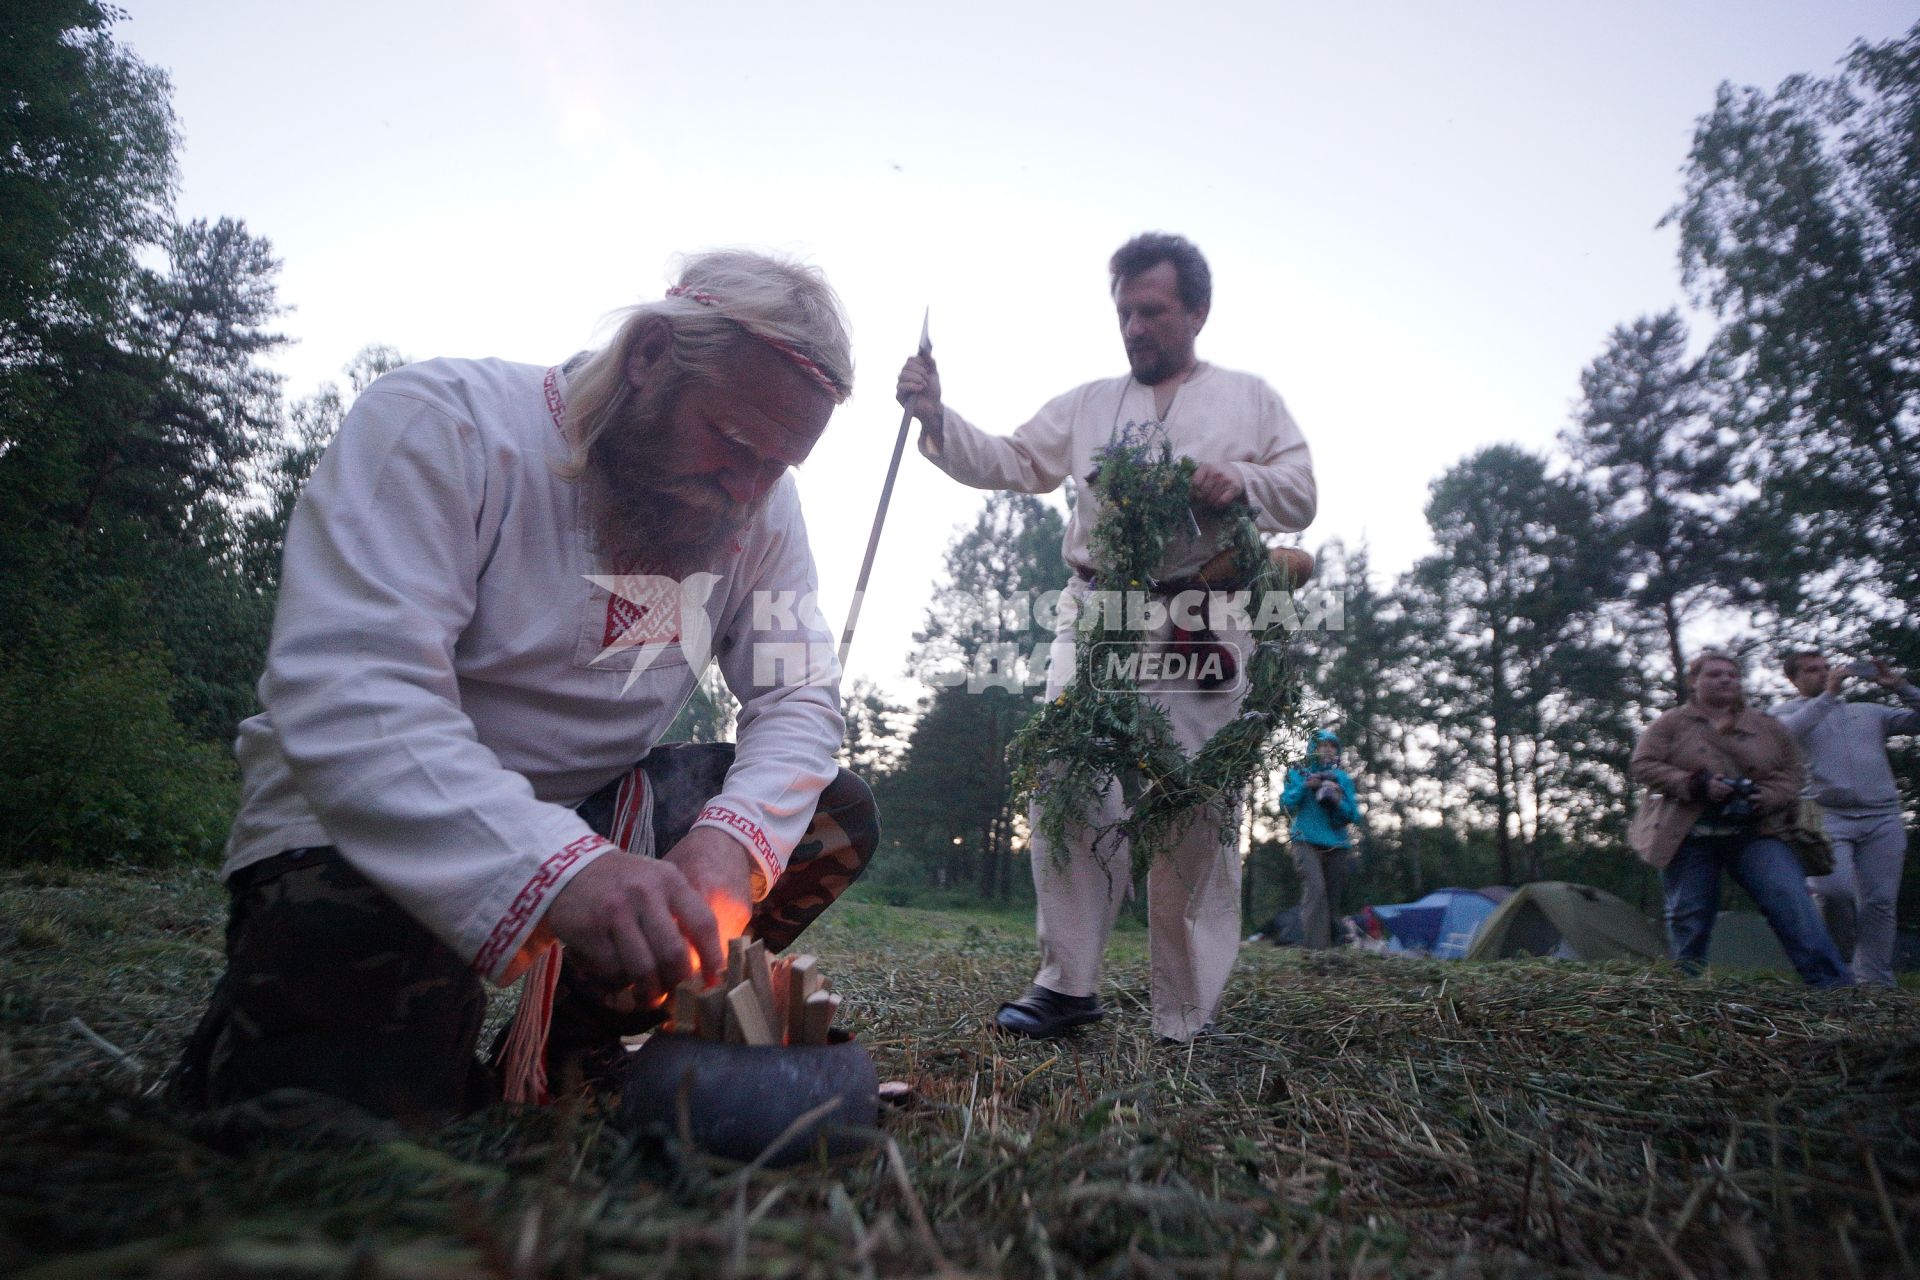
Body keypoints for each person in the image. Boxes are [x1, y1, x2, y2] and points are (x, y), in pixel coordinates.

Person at [171, 251, 880, 1122]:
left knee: (826, 814)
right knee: (333, 1128)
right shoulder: (443, 425)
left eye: (780, 465)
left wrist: (728, 843)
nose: (748, 489)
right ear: (648, 355)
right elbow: (352, 690)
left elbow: (797, 696)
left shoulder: (756, 505)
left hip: (597, 820)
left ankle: (578, 1046)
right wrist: (558, 872)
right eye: (733, 443)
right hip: (366, 818)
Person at [894, 233, 1317, 1042]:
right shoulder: (1090, 405)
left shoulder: (1249, 399)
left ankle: (1185, 1011)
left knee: (1193, 798)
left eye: (1151, 311)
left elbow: (1299, 493)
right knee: (1065, 771)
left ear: (1196, 310)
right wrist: (937, 417)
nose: (1133, 328)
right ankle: (1068, 982)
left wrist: (1247, 481)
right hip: (1098, 609)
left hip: (1202, 615)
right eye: (1124, 312)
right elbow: (1016, 460)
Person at [1628, 651, 1852, 988]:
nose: (1725, 680)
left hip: (1757, 832)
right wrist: (1695, 784)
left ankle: (1834, 989)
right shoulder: (1671, 723)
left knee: (1793, 905)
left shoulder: (1766, 725)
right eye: (1714, 674)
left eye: (1732, 675)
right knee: (1688, 919)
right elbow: (1642, 765)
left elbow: (1792, 773)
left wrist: (1768, 796)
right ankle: (1684, 993)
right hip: (1688, 835)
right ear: (1694, 682)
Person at [1772, 650, 1919, 987]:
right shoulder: (1783, 714)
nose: (1823, 674)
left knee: (1880, 902)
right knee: (1835, 891)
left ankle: (1875, 979)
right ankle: (1835, 970)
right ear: (1792, 679)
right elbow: (1787, 737)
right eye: (1811, 670)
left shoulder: (1867, 713)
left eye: (1827, 668)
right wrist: (1828, 696)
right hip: (1824, 814)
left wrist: (1899, 685)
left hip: (1881, 814)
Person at [1280, 729, 1362, 949]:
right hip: (1305, 839)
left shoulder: (1342, 778)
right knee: (1316, 890)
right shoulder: (1298, 772)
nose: (1327, 749)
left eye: (1332, 745)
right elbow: (1285, 804)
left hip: (1337, 844)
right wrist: (1306, 786)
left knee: (1333, 898)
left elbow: (1354, 815)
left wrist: (1336, 799)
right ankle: (1314, 952)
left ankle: (1334, 950)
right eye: (1322, 745)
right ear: (1312, 749)